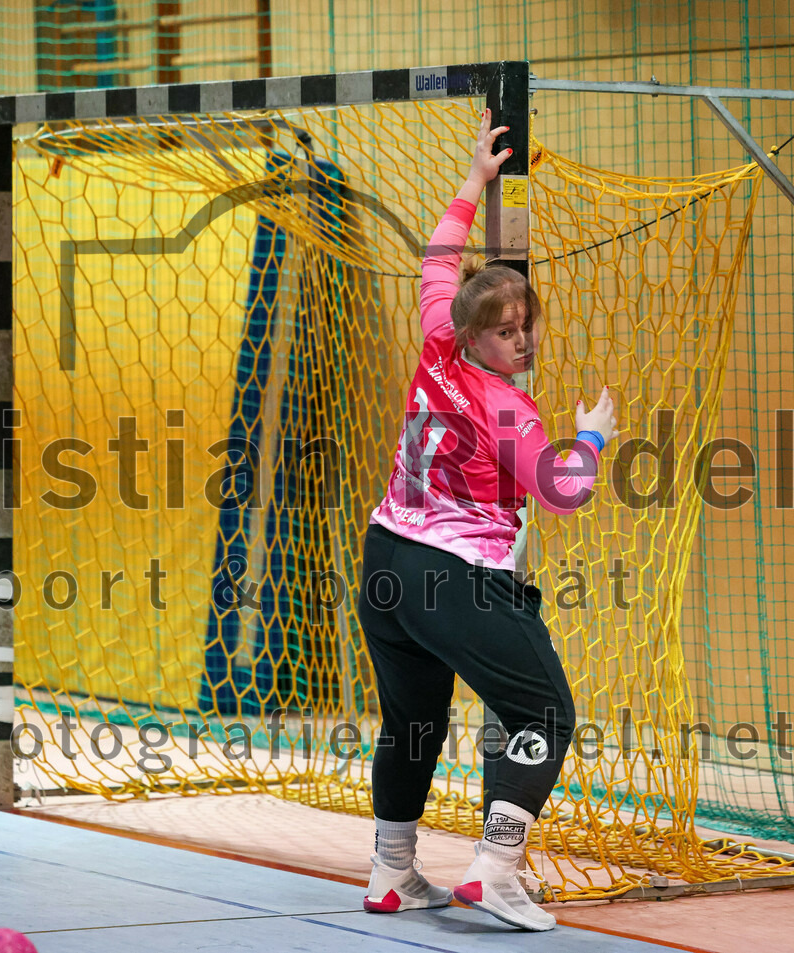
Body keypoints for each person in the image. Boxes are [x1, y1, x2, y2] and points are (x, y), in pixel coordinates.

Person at [357, 109, 618, 932]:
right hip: (451, 575)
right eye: (506, 333)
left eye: (526, 327)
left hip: (385, 561)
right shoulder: (508, 409)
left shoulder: (437, 341)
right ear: (476, 335)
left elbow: (438, 259)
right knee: (545, 712)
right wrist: (592, 437)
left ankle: (392, 872)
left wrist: (475, 178)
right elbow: (561, 490)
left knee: (413, 722)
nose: (522, 342)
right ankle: (496, 868)